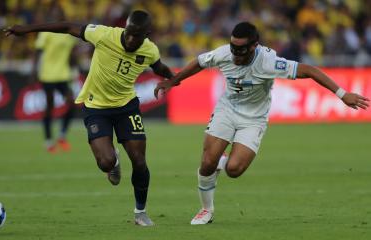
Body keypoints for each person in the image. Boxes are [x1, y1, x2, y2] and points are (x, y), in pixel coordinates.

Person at [154, 22, 369, 225]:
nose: (235, 54)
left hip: (254, 119)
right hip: (226, 110)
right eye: (233, 47)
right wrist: (174, 80)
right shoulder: (223, 54)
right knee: (207, 163)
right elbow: (199, 63)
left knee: (234, 170)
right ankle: (206, 210)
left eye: (241, 49)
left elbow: (310, 70)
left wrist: (342, 94)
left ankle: (224, 161)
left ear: (254, 46)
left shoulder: (269, 62)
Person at [4, 10, 174, 226]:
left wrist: (174, 78)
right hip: (96, 107)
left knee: (140, 162)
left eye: (137, 36)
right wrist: (26, 30)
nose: (131, 39)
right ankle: (114, 161)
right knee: (105, 162)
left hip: (127, 107)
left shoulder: (149, 49)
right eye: (129, 33)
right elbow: (67, 26)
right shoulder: (104, 35)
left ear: (146, 34)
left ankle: (141, 213)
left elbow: (159, 67)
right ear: (125, 28)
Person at [31, 5, 77, 153]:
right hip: (48, 75)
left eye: (59, 13)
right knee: (50, 107)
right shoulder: (46, 33)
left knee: (71, 102)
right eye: (54, 13)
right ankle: (49, 141)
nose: (56, 16)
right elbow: (37, 52)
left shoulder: (68, 33)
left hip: (63, 74)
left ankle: (62, 135)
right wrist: (33, 71)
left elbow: (71, 54)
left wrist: (74, 68)